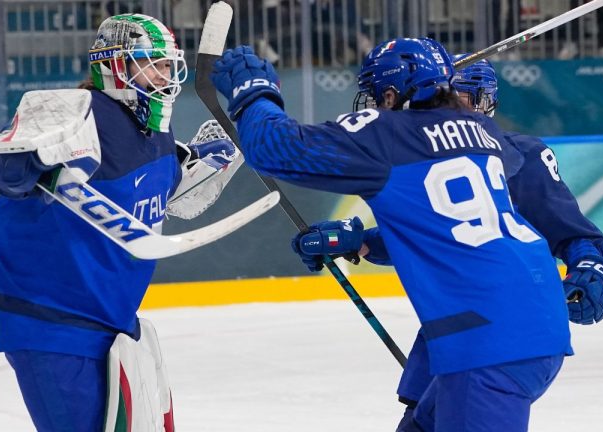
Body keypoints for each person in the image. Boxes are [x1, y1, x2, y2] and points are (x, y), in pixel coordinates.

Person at [211, 38, 579, 431]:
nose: (370, 105)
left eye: (374, 94)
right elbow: (444, 223)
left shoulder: (389, 134)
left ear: (391, 94)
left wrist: (255, 94)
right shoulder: (481, 130)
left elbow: (274, 148)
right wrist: (359, 240)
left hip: (488, 342)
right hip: (524, 321)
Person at [0, 13, 239, 431]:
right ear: (116, 66)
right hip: (48, 319)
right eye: (151, 63)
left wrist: (197, 166)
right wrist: (26, 157)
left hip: (112, 317)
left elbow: (166, 195)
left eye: (168, 64)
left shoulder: (156, 130)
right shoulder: (74, 114)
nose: (164, 75)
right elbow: (9, 179)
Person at [382, 55, 603, 430]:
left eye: (454, 97)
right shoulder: (416, 156)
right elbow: (427, 236)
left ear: (479, 102)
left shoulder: (519, 156)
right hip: (450, 328)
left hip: (494, 336)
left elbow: (575, 235)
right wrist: (353, 241)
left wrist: (590, 267)